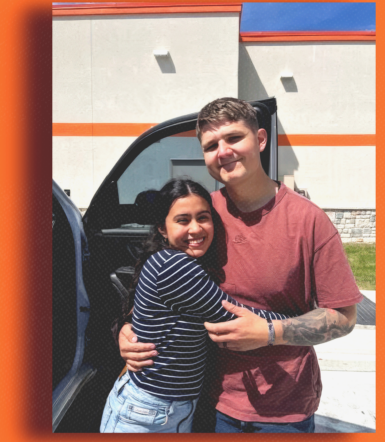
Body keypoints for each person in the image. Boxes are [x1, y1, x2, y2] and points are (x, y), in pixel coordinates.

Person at [119, 97, 364, 433]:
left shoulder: (309, 221)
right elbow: (161, 282)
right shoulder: (201, 216)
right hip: (206, 400)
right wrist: (130, 330)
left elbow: (344, 317)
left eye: (234, 138)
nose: (223, 152)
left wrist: (270, 333)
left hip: (282, 409)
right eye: (211, 145)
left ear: (260, 139)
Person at [100, 178, 295, 433]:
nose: (195, 229)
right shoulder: (175, 267)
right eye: (183, 220)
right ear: (162, 228)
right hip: (147, 413)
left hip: (164, 408)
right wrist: (298, 321)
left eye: (203, 218)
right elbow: (231, 313)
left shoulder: (171, 259)